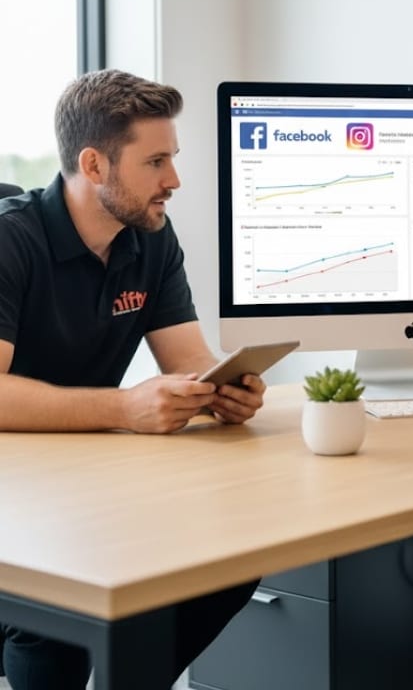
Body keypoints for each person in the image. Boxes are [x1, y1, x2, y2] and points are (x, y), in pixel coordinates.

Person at [0, 69, 265, 688]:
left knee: (230, 563)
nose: (174, 180)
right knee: (54, 618)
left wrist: (224, 387)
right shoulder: (11, 241)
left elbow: (186, 359)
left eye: (172, 158)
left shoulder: (149, 236)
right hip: (15, 488)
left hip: (89, 475)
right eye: (156, 162)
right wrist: (125, 408)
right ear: (94, 165)